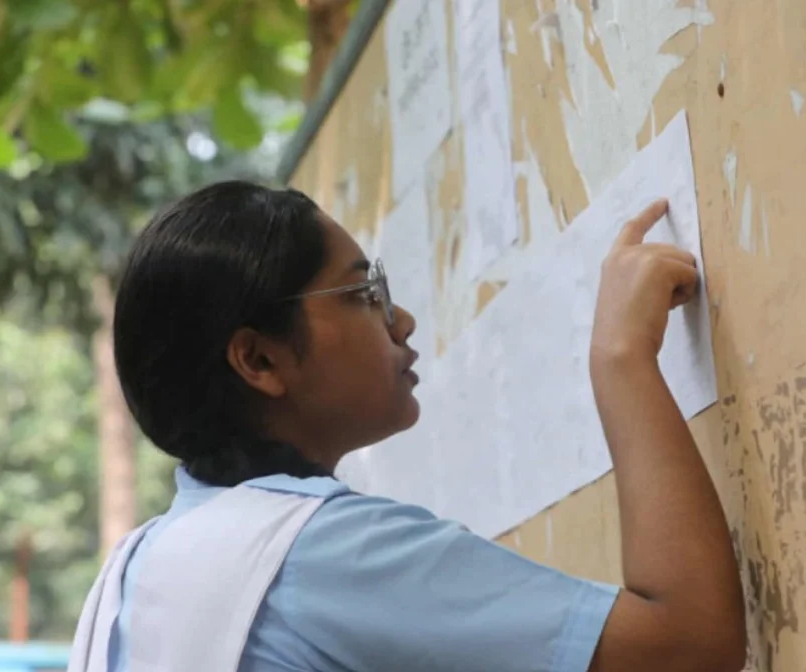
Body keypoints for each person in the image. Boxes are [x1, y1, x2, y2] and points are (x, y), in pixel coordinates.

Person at [67, 180, 746, 672]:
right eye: (365, 294)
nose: (402, 321)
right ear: (260, 360)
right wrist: (622, 357)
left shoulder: (136, 569)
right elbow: (687, 644)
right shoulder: (320, 553)